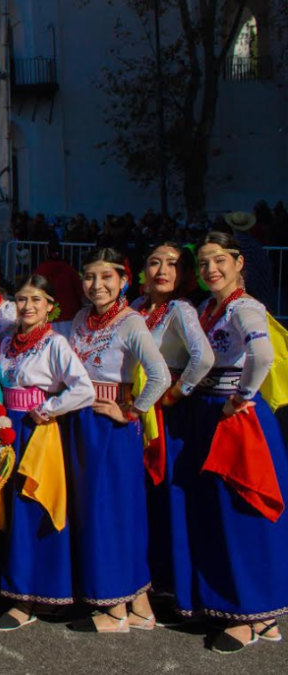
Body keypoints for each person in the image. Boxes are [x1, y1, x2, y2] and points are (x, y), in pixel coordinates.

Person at [174, 232, 288, 652]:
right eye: (203, 264)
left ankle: (254, 612)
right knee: (216, 511)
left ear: (239, 262)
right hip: (207, 413)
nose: (211, 270)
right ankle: (247, 608)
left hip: (236, 418)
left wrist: (240, 398)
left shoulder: (244, 306)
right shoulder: (207, 308)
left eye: (219, 260)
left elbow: (262, 356)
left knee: (244, 510)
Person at [65, 247, 169, 632]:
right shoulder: (79, 318)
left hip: (113, 428)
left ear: (124, 281)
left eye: (107, 277)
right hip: (82, 424)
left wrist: (130, 411)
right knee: (95, 513)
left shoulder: (131, 322)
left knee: (115, 514)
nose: (97, 285)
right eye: (90, 277)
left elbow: (160, 376)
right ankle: (139, 605)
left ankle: (117, 610)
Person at [0, 275, 94, 631]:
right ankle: (18, 590)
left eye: (36, 299)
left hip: (38, 433)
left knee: (35, 508)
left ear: (50, 305)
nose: (28, 306)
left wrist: (49, 408)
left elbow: (84, 389)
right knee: (12, 511)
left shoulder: (55, 344)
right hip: (8, 431)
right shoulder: (7, 343)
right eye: (21, 299)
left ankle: (38, 594)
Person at [131, 242, 214, 600]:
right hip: (136, 409)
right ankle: (145, 578)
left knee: (172, 492)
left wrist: (177, 393)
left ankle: (177, 587)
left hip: (169, 415)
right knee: (142, 496)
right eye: (154, 263)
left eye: (173, 264)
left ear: (186, 273)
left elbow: (203, 356)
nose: (162, 270)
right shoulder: (135, 308)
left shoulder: (179, 309)